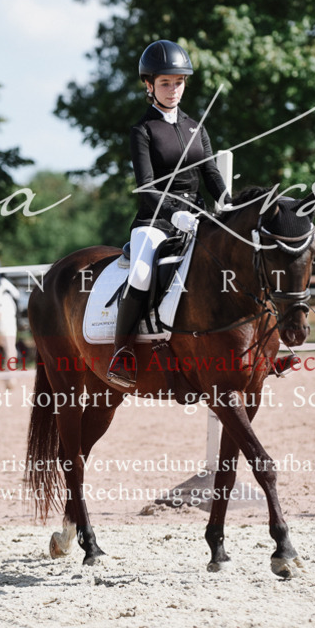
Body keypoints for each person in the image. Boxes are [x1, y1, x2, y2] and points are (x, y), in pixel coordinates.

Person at [107, 40, 231, 387]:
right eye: (165, 83)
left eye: (178, 82)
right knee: (143, 273)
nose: (173, 89)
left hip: (198, 218)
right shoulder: (143, 131)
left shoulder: (196, 127)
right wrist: (176, 213)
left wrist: (229, 204)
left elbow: (211, 175)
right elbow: (146, 187)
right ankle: (122, 353)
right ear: (149, 85)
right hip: (155, 221)